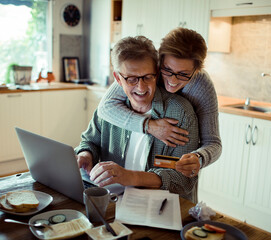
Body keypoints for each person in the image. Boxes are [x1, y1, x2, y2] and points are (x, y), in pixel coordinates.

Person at [75, 36, 200, 201]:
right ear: (118, 78)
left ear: (157, 72)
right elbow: (89, 142)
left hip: (160, 205)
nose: (141, 87)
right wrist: (85, 154)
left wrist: (130, 177)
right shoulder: (109, 109)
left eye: (148, 77)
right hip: (112, 199)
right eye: (132, 79)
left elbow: (183, 179)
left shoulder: (180, 113)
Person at [97, 27, 221, 178]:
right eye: (167, 70)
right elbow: (105, 107)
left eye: (183, 75)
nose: (172, 80)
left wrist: (199, 158)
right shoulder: (143, 71)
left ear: (196, 70)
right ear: (159, 62)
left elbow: (213, 142)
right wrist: (149, 126)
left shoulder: (202, 87)